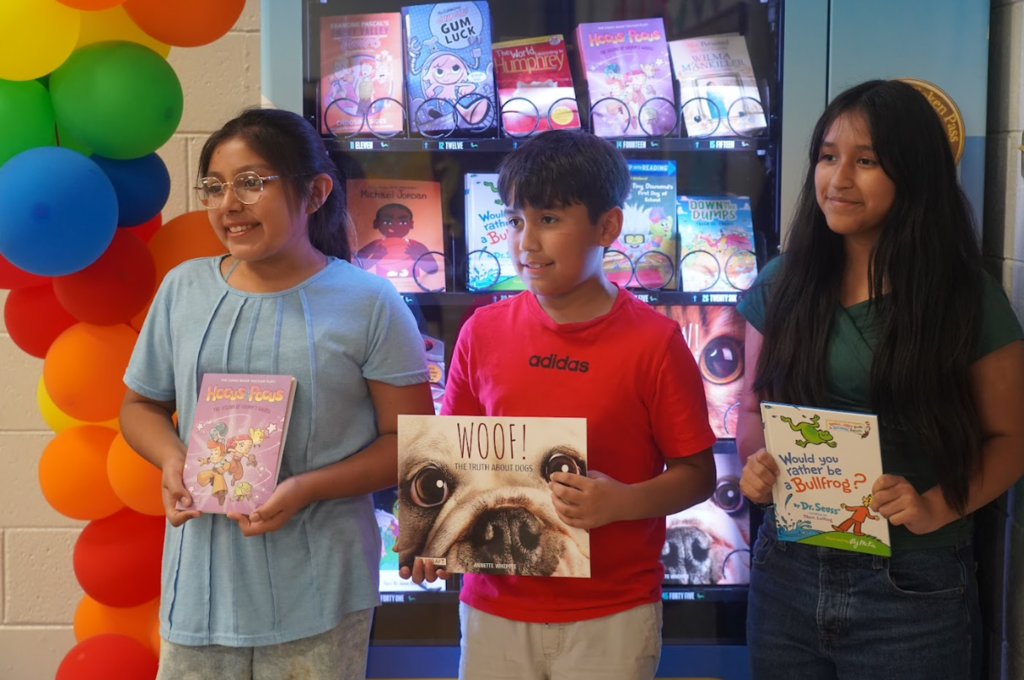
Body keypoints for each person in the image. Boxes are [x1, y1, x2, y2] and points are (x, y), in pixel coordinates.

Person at [119, 107, 435, 680]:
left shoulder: (370, 302)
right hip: (200, 587)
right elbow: (140, 405)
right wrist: (172, 460)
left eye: (251, 183)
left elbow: (409, 443)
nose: (227, 205)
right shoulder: (183, 288)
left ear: (314, 192)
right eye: (214, 187)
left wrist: (305, 489)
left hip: (321, 589)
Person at [400, 128, 718, 680]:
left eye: (549, 220)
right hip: (494, 604)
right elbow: (450, 460)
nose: (526, 241)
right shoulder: (483, 332)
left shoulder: (655, 343)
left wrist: (619, 502)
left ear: (608, 227)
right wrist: (431, 537)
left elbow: (697, 475)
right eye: (515, 220)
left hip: (613, 610)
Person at [736, 79, 1024, 680]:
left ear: (913, 174)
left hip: (911, 587)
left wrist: (938, 505)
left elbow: (1009, 438)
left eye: (865, 161)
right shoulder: (780, 283)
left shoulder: (965, 298)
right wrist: (757, 462)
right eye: (827, 155)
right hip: (787, 569)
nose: (837, 179)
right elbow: (752, 408)